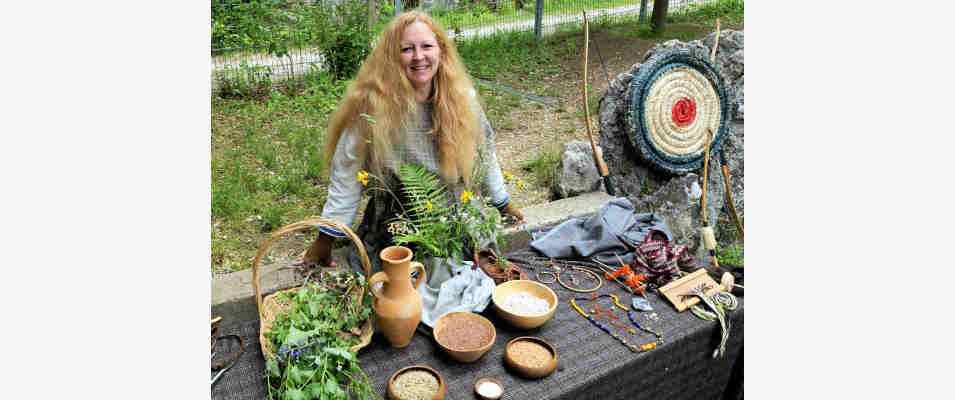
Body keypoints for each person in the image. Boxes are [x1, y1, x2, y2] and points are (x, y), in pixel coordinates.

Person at [301, 11, 524, 270]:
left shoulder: (463, 101)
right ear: (392, 57)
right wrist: (325, 240)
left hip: (458, 224)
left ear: (441, 51)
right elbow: (346, 176)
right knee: (404, 295)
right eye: (407, 49)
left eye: (427, 46)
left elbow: (486, 155)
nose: (419, 57)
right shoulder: (371, 110)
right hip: (398, 232)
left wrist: (503, 203)